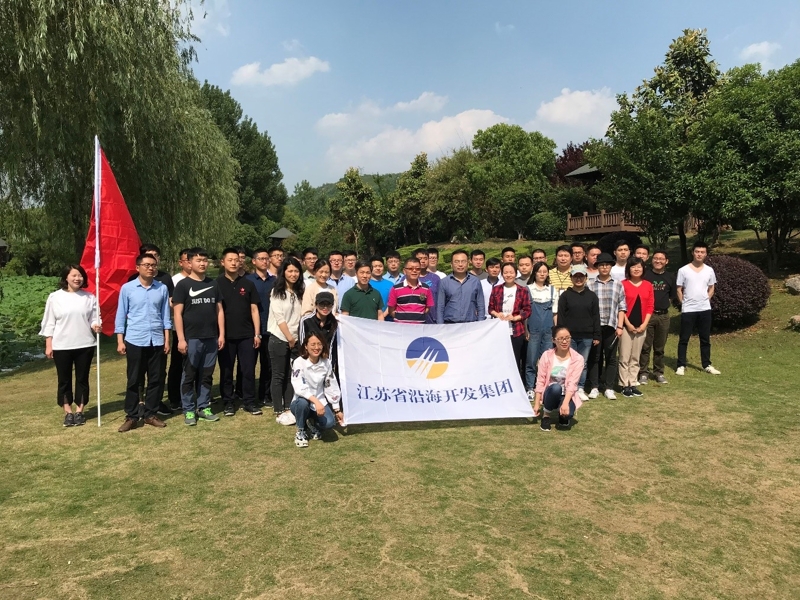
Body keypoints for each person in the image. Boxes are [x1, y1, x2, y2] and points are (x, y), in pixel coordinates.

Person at [115, 253, 172, 432]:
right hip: (135, 339)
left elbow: (165, 316)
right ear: (137, 267)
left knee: (156, 379)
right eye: (146, 265)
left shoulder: (162, 288)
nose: (150, 268)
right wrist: (120, 340)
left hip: (157, 340)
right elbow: (121, 315)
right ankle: (132, 416)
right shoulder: (128, 288)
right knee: (134, 379)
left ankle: (150, 414)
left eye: (153, 265)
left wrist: (167, 339)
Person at [39, 264, 100, 427]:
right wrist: (49, 344)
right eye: (74, 275)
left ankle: (80, 411)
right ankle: (68, 412)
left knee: (82, 379)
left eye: (80, 275)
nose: (77, 278)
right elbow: (49, 322)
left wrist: (96, 325)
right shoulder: (55, 297)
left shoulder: (89, 297)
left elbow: (94, 318)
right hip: (62, 346)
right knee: (64, 380)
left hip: (85, 344)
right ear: (66, 277)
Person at [173, 248, 225, 426]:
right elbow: (177, 314)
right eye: (198, 260)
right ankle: (188, 409)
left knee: (207, 375)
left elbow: (219, 311)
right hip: (192, 338)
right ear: (189, 263)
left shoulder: (213, 284)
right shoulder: (183, 285)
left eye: (205, 260)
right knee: (189, 375)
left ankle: (203, 407)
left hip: (211, 338)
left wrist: (221, 334)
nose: (202, 263)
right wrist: (181, 339)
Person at [216, 248, 262, 416]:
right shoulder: (216, 284)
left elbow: (254, 310)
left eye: (236, 260)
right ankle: (228, 402)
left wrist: (257, 333)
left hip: (247, 335)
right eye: (230, 260)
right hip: (226, 336)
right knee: (226, 370)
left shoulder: (248, 283)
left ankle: (249, 401)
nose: (234, 263)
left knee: (248, 370)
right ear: (223, 262)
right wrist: (220, 335)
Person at [290, 333, 344, 448]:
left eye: (319, 344)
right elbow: (299, 386)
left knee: (330, 423)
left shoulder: (326, 362)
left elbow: (331, 385)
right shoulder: (298, 362)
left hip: (320, 401)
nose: (316, 347)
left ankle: (312, 424)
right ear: (306, 346)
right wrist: (316, 401)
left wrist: (337, 409)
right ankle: (301, 431)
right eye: (313, 344)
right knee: (302, 404)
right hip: (301, 401)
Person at [268, 256, 305, 423]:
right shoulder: (277, 292)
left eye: (296, 271)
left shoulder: (299, 291)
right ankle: (278, 409)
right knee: (278, 375)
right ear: (283, 272)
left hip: (296, 339)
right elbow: (279, 318)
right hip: (280, 338)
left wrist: (295, 339)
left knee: (292, 375)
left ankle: (289, 408)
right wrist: (290, 338)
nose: (293, 274)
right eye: (290, 271)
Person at [556, 264, 600, 402]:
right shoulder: (565, 296)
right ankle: (568, 387)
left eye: (581, 276)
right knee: (569, 362)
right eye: (576, 276)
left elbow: (596, 316)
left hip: (587, 336)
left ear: (586, 278)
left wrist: (596, 335)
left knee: (582, 363)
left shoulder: (592, 296)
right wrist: (561, 335)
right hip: (570, 337)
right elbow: (561, 317)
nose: (578, 279)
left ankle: (579, 387)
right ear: (571, 278)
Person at [676, 241, 720, 376]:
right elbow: (679, 289)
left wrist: (706, 299)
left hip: (704, 309)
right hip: (688, 309)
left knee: (705, 339)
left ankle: (707, 364)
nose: (699, 254)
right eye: (697, 252)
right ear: (692, 253)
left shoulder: (709, 270)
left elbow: (712, 287)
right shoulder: (683, 270)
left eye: (702, 252)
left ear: (706, 254)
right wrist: (684, 303)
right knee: (684, 338)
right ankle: (681, 365)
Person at [587, 253, 627, 400]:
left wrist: (620, 326)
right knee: (595, 357)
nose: (604, 267)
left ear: (611, 266)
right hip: (595, 327)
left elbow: (622, 307)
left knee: (611, 357)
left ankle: (609, 387)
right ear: (597, 267)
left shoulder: (618, 284)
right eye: (601, 265)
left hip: (611, 326)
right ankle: (594, 386)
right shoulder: (590, 284)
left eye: (607, 265)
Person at [533, 326, 584, 432]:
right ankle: (546, 415)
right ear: (553, 340)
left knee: (568, 415)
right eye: (561, 339)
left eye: (567, 338)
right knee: (556, 387)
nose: (564, 341)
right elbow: (540, 380)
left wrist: (565, 404)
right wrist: (537, 403)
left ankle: (562, 415)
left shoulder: (578, 359)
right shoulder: (546, 355)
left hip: (567, 394)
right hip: (550, 392)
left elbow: (572, 384)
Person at [639, 250, 677, 385]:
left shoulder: (670, 277)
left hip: (663, 316)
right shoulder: (645, 275)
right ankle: (643, 372)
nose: (658, 261)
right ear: (652, 259)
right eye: (656, 258)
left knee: (659, 347)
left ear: (666, 261)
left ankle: (658, 372)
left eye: (661, 259)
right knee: (645, 346)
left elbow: (672, 296)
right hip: (647, 316)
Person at [619, 258, 654, 397]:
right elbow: (620, 306)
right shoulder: (623, 284)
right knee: (624, 357)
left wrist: (644, 325)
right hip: (626, 326)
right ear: (628, 269)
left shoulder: (648, 285)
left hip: (641, 326)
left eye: (639, 267)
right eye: (633, 267)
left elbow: (650, 306)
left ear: (643, 269)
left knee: (635, 357)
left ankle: (632, 383)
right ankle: (624, 385)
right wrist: (628, 324)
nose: (636, 269)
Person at [489, 263, 531, 377]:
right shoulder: (496, 289)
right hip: (499, 330)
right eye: (506, 272)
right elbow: (490, 308)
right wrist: (497, 314)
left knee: (515, 359)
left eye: (511, 272)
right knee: (500, 359)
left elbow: (527, 310)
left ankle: (515, 382)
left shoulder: (522, 290)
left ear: (516, 273)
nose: (508, 275)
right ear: (502, 274)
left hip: (516, 331)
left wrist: (515, 318)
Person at [524, 261, 558, 398]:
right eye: (539, 271)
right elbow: (525, 313)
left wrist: (556, 331)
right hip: (533, 331)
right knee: (531, 361)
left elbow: (555, 313)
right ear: (535, 273)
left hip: (548, 331)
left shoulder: (552, 290)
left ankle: (544, 387)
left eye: (545, 271)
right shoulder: (528, 289)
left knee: (547, 362)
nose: (542, 274)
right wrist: (526, 330)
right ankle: (530, 387)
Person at [247, 247, 275, 407]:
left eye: (267, 259)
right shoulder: (248, 281)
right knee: (249, 365)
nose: (265, 261)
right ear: (254, 261)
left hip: (270, 328)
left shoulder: (274, 281)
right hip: (251, 329)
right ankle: (247, 396)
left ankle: (265, 395)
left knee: (268, 365)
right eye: (261, 259)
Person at [167, 248, 192, 411]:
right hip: (179, 330)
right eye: (186, 260)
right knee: (177, 364)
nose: (189, 263)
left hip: (197, 330)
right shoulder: (175, 280)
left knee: (196, 364)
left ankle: (196, 395)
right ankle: (175, 398)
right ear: (180, 262)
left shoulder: (202, 280)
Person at [436, 249, 484, 323]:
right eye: (457, 261)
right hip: (450, 324)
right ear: (451, 264)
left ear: (468, 263)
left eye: (463, 261)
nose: (460, 264)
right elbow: (440, 307)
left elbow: (480, 305)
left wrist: (481, 323)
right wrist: (440, 326)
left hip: (471, 324)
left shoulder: (475, 281)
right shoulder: (444, 282)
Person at [387, 258, 434, 324]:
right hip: (401, 327)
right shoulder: (396, 289)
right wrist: (401, 319)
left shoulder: (426, 288)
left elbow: (428, 308)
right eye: (410, 269)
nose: (414, 271)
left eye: (417, 269)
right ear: (404, 271)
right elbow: (391, 310)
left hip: (420, 327)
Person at [298, 291, 339, 358]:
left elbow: (331, 345)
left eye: (328, 304)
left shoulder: (334, 322)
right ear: (316, 305)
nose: (325, 308)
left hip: (325, 360)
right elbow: (302, 343)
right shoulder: (306, 320)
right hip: (308, 359)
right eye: (322, 304)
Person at [414, 248, 440, 323]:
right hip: (413, 321)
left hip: (432, 320)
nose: (423, 261)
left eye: (425, 258)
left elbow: (440, 300)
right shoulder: (407, 278)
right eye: (420, 259)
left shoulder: (435, 278)